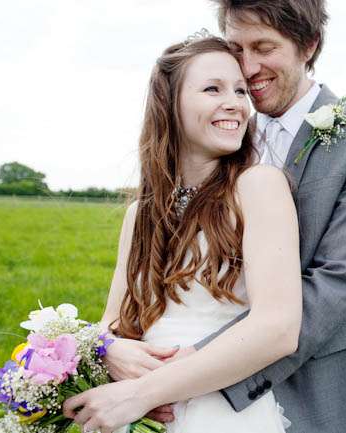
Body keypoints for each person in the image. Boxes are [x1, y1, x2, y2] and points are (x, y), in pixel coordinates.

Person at [147, 1, 346, 432]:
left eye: (264, 47)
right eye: (237, 49)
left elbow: (338, 279)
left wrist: (195, 366)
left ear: (309, 45)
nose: (248, 67)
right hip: (204, 382)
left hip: (327, 380)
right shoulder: (224, 131)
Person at [62, 36, 300, 433]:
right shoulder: (141, 214)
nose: (236, 103)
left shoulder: (258, 185)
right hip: (139, 411)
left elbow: (277, 329)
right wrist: (110, 349)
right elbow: (112, 321)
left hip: (220, 409)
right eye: (213, 89)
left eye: (240, 90)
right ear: (169, 104)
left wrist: (144, 392)